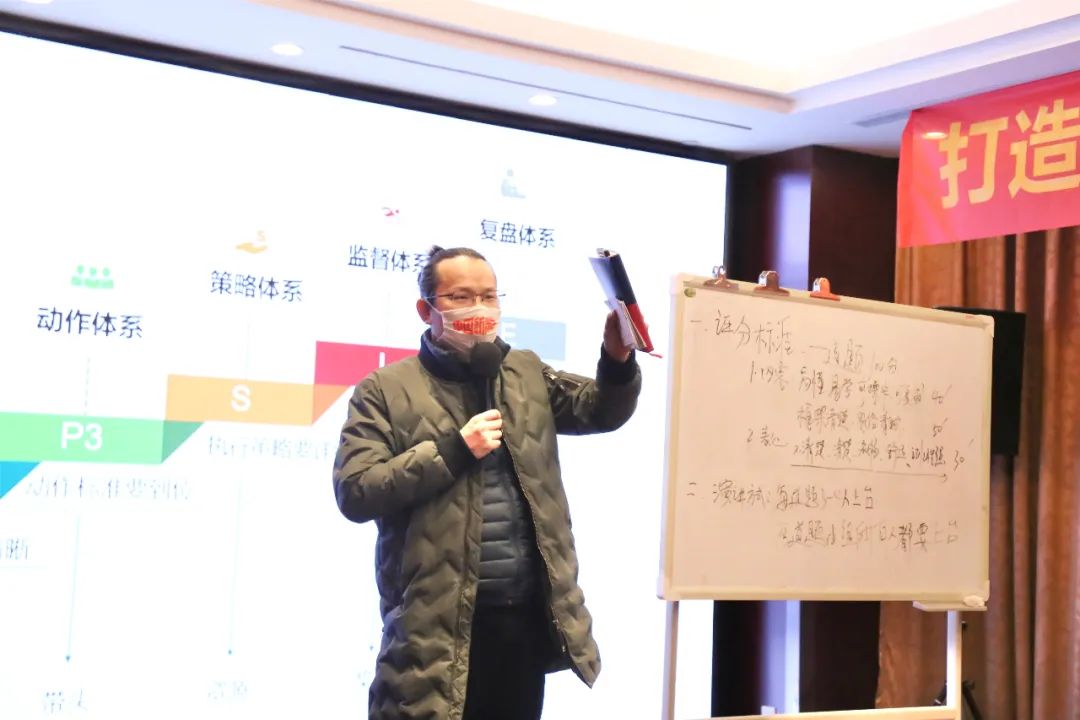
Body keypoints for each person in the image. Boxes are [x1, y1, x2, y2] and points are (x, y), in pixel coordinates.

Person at [333, 245, 641, 720]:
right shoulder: (385, 389)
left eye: (489, 296)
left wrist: (616, 359)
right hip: (432, 625)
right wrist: (453, 450)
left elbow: (598, 409)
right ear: (426, 309)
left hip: (522, 617)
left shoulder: (524, 372)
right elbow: (356, 490)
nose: (478, 308)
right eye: (460, 297)